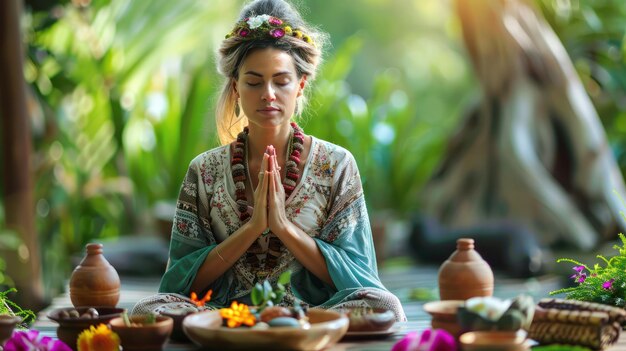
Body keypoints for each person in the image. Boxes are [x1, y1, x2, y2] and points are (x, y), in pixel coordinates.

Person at [133, 0, 406, 321]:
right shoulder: (204, 171)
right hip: (225, 314)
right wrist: (252, 228)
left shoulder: (335, 165)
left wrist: (283, 226)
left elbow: (359, 277)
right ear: (235, 87)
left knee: (385, 305)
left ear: (300, 85)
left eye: (281, 80)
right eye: (253, 81)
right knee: (146, 310)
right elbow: (179, 282)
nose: (268, 93)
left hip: (311, 315)